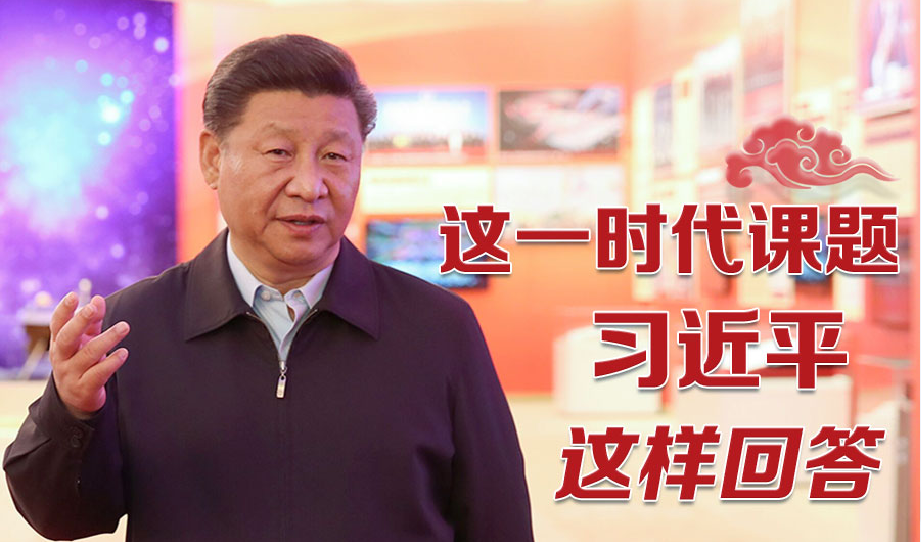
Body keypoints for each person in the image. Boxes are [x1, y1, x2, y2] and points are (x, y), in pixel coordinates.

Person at [3, 34, 534, 541]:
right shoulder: (133, 329)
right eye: (279, 152)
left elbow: (498, 519)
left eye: (335, 156)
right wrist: (72, 415)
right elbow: (61, 518)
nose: (310, 185)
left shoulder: (438, 329)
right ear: (214, 158)